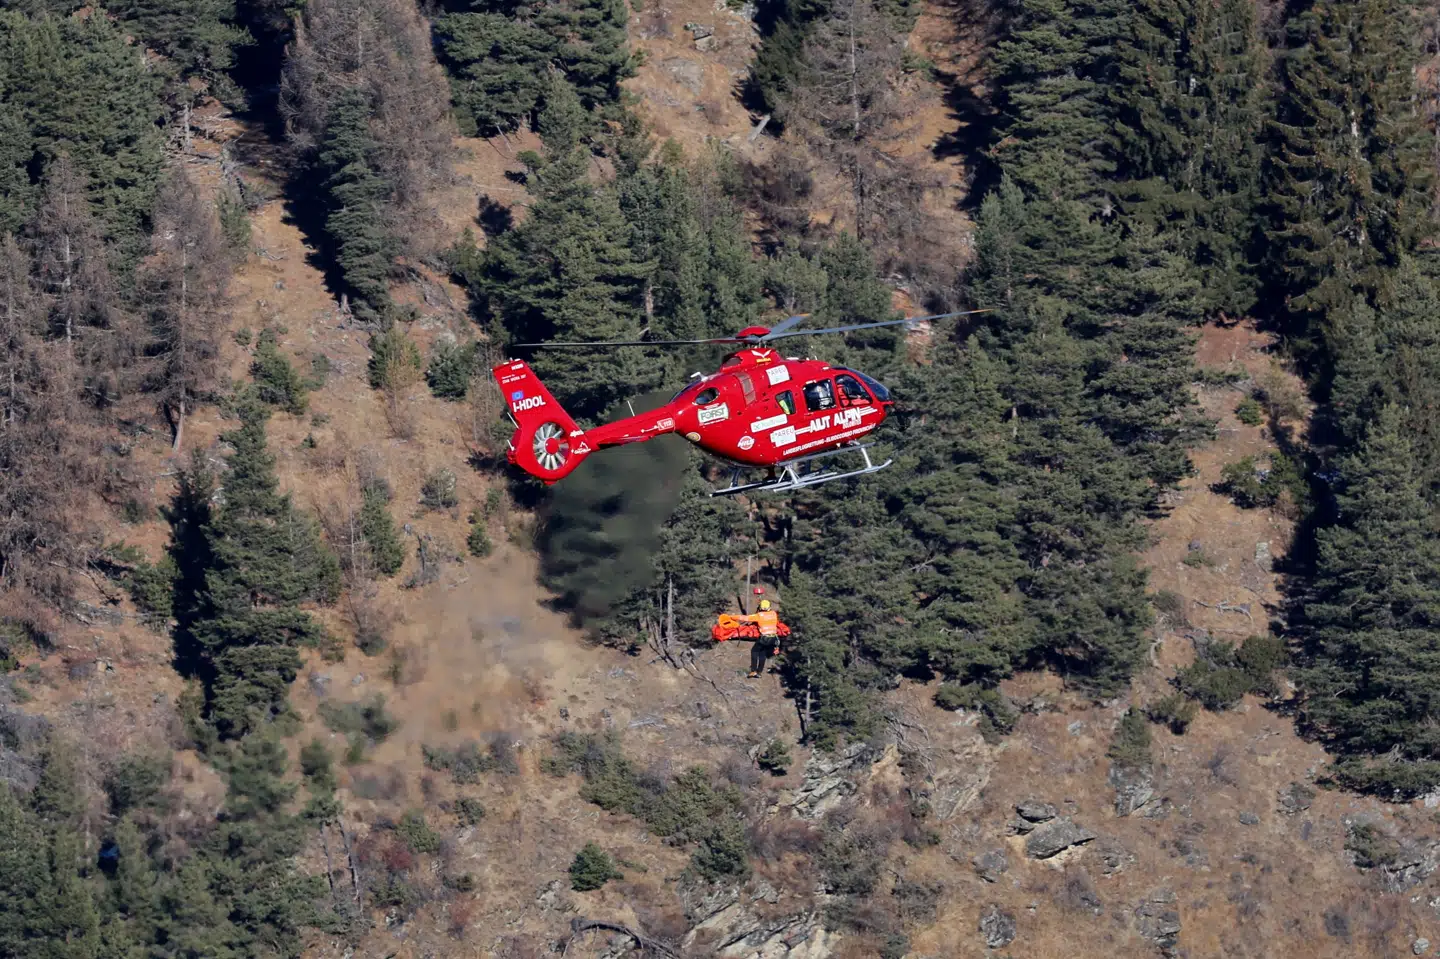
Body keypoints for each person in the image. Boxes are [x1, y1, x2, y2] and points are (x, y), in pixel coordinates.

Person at [739, 599, 781, 678]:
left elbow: (746, 618)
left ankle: (753, 670)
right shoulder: (774, 614)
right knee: (762, 654)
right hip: (773, 639)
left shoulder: (759, 615)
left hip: (764, 638)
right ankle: (759, 672)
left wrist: (732, 617)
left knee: (754, 651)